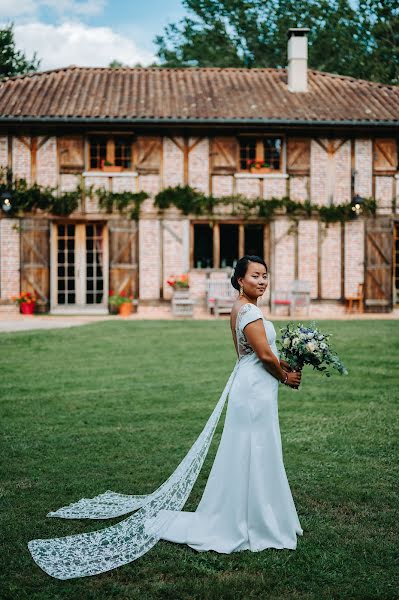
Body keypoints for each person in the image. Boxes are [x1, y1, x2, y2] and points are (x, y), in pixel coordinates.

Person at [28, 255, 303, 580]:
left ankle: (252, 513)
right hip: (255, 390)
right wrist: (285, 376)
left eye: (265, 275)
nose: (262, 280)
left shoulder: (241, 308)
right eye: (255, 275)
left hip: (252, 384)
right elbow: (263, 354)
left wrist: (285, 365)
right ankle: (253, 520)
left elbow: (254, 355)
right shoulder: (250, 310)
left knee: (252, 450)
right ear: (240, 280)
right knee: (255, 449)